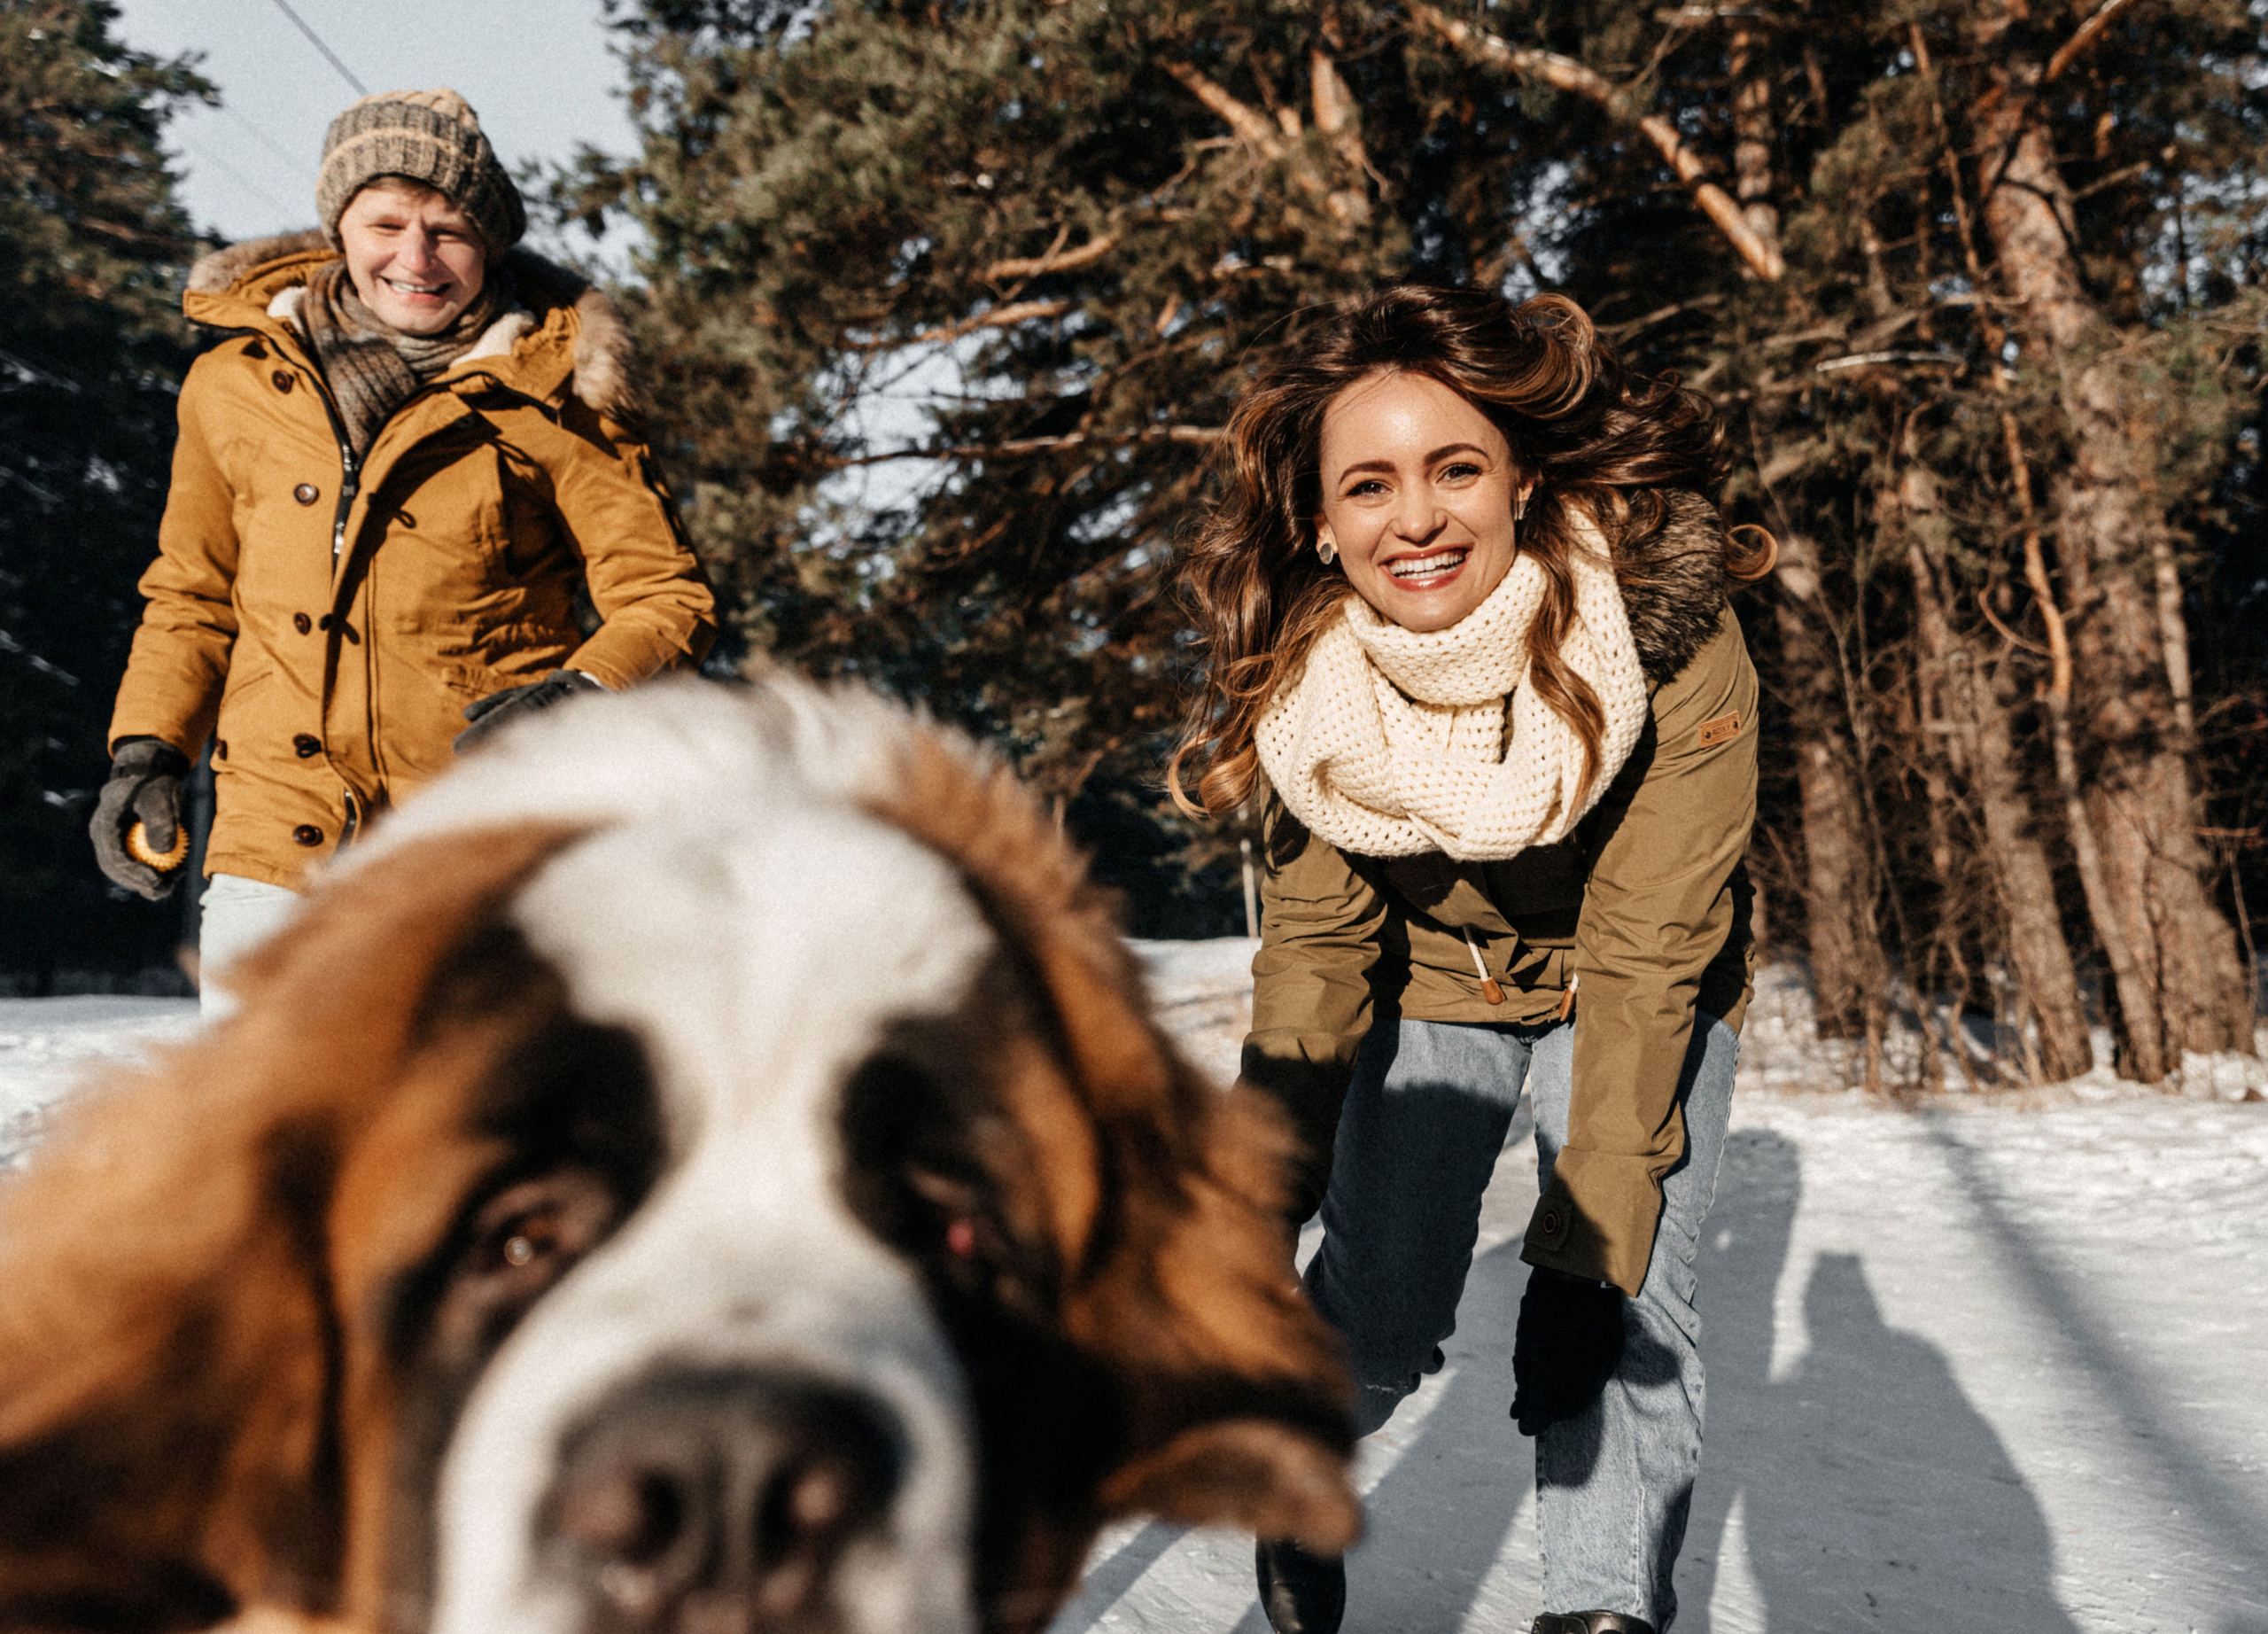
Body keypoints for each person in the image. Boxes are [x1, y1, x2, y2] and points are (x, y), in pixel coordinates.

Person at [1170, 284, 1771, 1634]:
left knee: (1625, 1289)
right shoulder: (1310, 684)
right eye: (1369, 485)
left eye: (1455, 470)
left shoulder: (1667, 634)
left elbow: (1649, 949)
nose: (1418, 519)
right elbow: (1320, 947)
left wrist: (1583, 1252)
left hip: (1641, 979)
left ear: (1522, 481)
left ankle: (1603, 1609)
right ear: (1321, 523)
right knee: (1382, 1311)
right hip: (1432, 977)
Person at [91, 89, 716, 1011]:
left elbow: (667, 597)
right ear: (340, 229)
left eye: (448, 231)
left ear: (489, 244)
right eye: (386, 224)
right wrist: (147, 751)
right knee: (272, 1103)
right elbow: (193, 594)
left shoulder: (558, 396)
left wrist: (581, 695)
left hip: (480, 846)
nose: (415, 259)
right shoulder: (233, 385)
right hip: (273, 845)